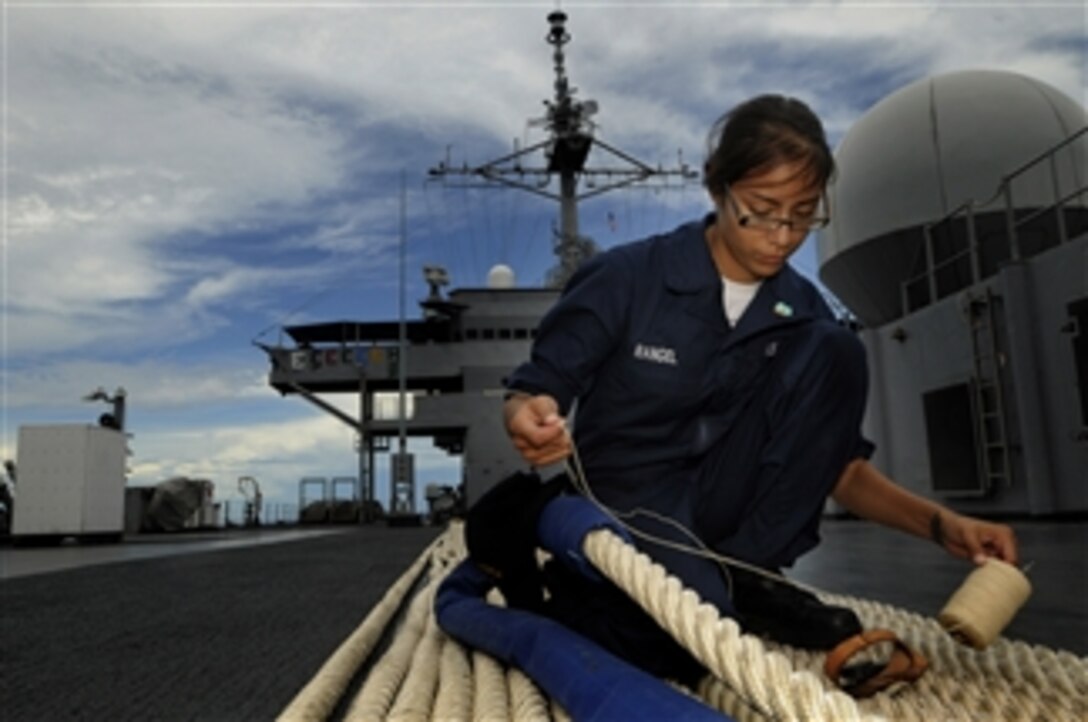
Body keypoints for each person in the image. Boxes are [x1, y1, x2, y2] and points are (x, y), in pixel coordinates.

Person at [497, 94, 1018, 682]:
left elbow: (837, 468)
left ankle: (744, 577)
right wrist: (529, 414)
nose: (782, 235)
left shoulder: (805, 310)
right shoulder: (625, 278)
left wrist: (944, 526)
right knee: (683, 649)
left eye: (803, 215)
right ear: (718, 188)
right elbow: (536, 389)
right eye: (762, 210)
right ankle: (607, 591)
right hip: (630, 504)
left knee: (838, 350)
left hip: (726, 511)